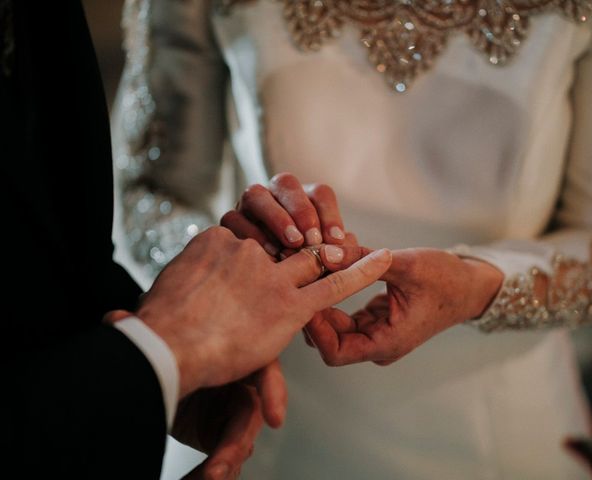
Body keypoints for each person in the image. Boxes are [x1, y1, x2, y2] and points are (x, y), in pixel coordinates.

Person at [112, 0, 592, 478]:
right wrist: (237, 274)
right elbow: (150, 193)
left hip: (498, 431)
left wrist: (479, 286)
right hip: (264, 408)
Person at [0, 1, 393, 478]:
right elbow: (156, 187)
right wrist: (175, 336)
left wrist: (167, 350)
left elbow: (54, 233)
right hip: (280, 386)